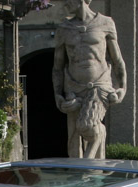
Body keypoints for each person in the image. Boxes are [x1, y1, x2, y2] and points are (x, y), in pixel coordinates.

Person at [51, 0, 126, 159]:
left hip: (99, 85)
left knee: (87, 126)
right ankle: (79, 175)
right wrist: (57, 94)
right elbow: (58, 67)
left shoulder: (105, 23)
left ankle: (89, 168)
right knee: (73, 137)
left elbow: (117, 60)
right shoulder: (63, 29)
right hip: (73, 87)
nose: (65, 4)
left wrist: (122, 88)